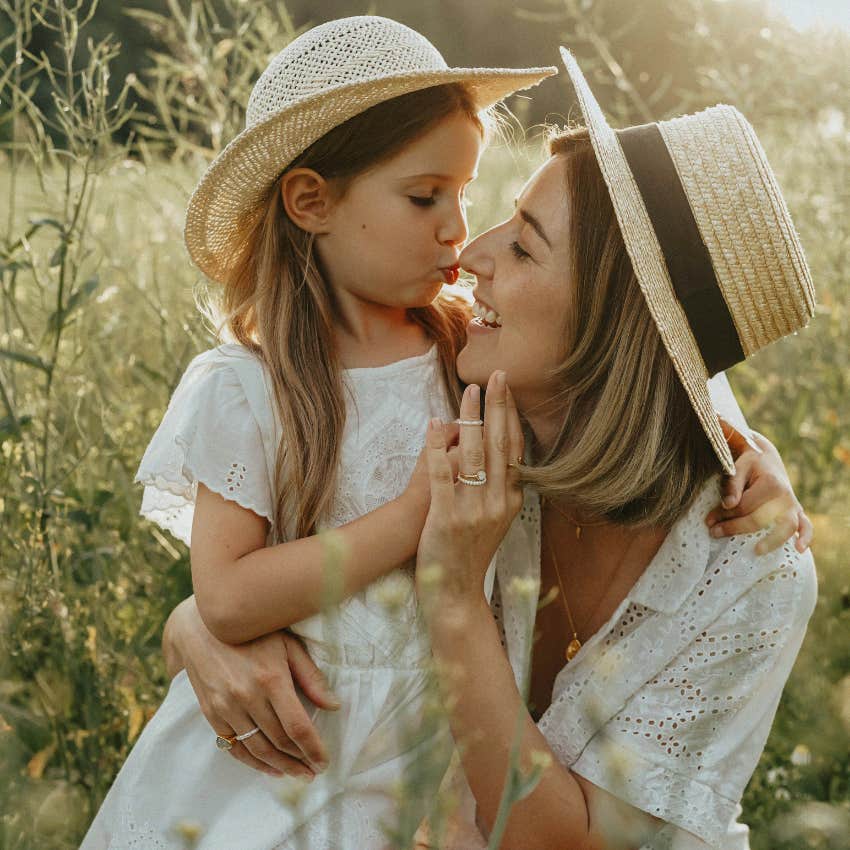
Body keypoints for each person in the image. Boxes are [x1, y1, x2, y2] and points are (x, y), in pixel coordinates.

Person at [78, 15, 557, 850]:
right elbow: (224, 598)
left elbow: (610, 391)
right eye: (424, 196)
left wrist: (741, 450)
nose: (457, 227)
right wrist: (413, 518)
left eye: (464, 193)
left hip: (430, 751)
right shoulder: (248, 387)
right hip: (280, 768)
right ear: (311, 201)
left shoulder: (467, 350)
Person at [410, 49, 817, 849]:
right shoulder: (452, 380)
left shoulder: (751, 567)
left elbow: (569, 842)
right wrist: (202, 632)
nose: (471, 256)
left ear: (614, 327)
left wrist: (455, 596)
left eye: (524, 248)